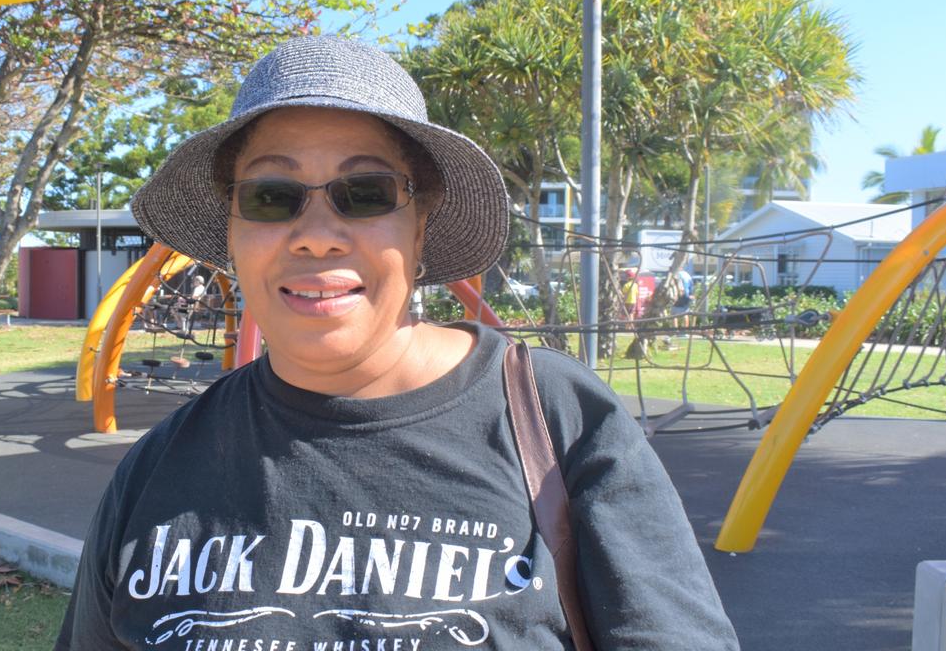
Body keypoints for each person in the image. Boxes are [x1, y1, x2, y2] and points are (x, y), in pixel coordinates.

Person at [57, 36, 738, 649]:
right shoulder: (158, 469)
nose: (317, 233)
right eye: (271, 196)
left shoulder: (556, 420)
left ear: (421, 227)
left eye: (365, 192)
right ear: (232, 234)